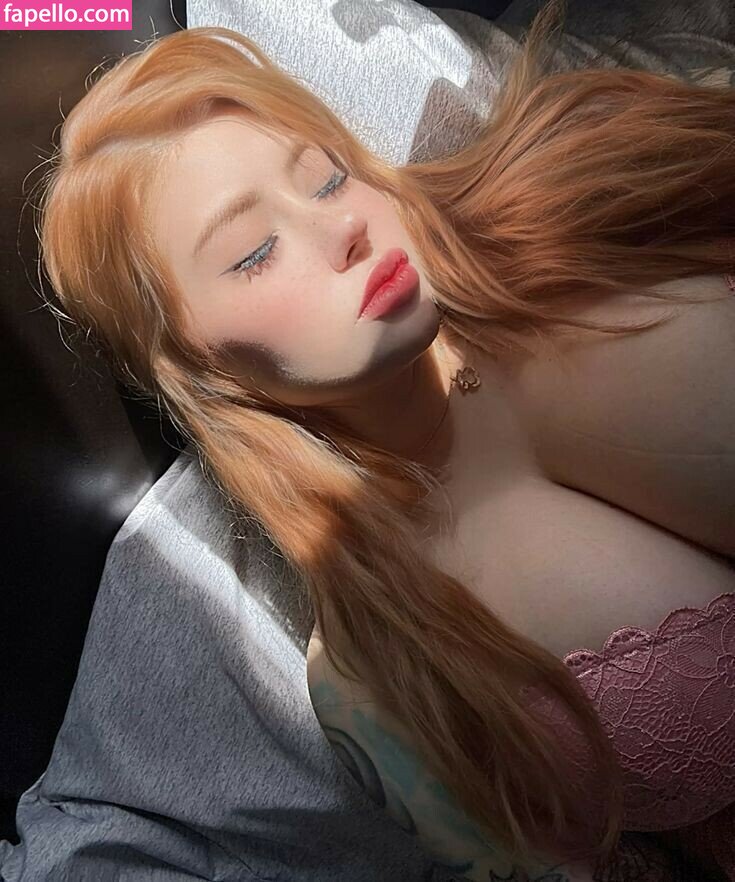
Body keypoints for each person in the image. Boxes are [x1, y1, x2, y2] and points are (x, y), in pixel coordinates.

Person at [34, 0, 735, 877]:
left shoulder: (588, 186)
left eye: (326, 178)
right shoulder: (382, 676)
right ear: (199, 363)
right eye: (252, 251)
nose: (342, 228)